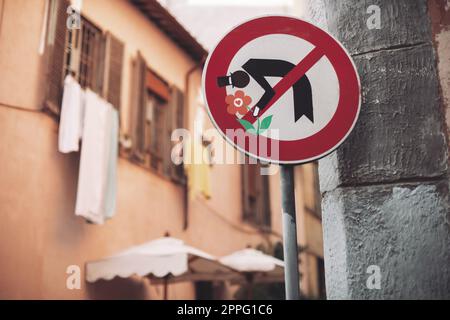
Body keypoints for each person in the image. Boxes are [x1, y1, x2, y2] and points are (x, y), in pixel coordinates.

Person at [217, 59, 313, 123]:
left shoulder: (252, 69)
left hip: (300, 83)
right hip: (295, 77)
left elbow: (270, 92)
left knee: (305, 118)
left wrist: (257, 109)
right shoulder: (248, 66)